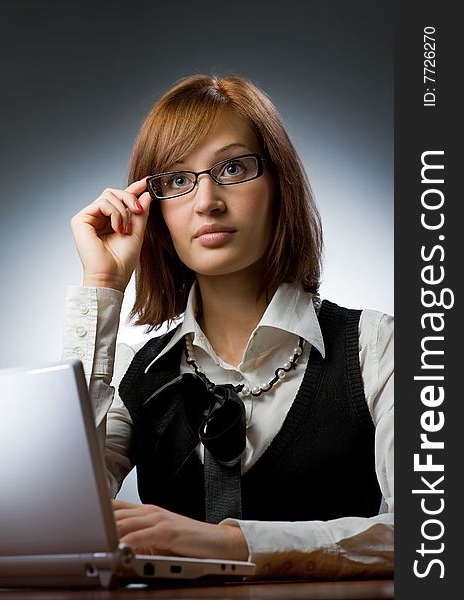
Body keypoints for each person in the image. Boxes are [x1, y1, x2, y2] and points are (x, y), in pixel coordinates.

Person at [63, 74, 394, 580]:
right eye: (176, 180)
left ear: (279, 183)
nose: (206, 202)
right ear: (153, 211)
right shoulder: (134, 373)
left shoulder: (377, 348)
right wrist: (102, 285)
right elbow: (56, 517)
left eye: (233, 168)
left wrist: (232, 544)